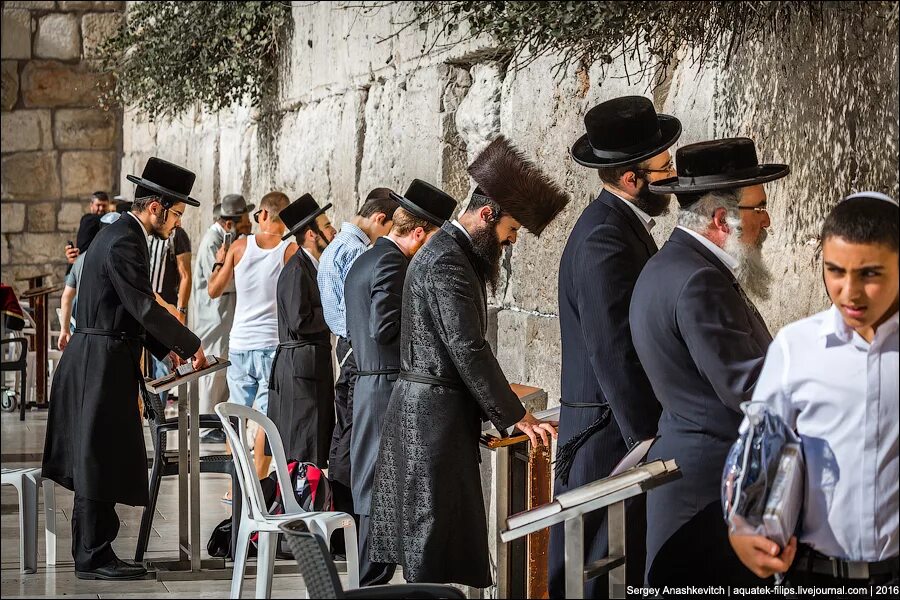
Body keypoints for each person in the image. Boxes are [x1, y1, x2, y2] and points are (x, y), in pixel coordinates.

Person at [369, 136, 567, 587]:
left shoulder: (454, 255)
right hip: (430, 423)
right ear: (487, 214)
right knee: (431, 540)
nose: (511, 241)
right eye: (511, 230)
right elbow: (468, 346)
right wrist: (516, 416)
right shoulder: (447, 262)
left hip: (435, 415)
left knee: (438, 540)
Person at [630, 137, 789, 586]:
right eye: (758, 209)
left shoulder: (670, 265)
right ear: (722, 219)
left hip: (690, 482)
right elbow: (747, 388)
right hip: (708, 494)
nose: (768, 221)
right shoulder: (700, 280)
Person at [42, 157, 207, 581]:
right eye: (175, 216)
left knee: (100, 454)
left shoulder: (118, 234)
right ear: (156, 207)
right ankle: (93, 556)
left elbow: (127, 309)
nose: (175, 226)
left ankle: (96, 550)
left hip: (103, 356)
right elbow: (143, 305)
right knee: (96, 456)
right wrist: (188, 345)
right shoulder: (124, 241)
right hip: (99, 362)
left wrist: (163, 349)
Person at [729, 192, 899, 587]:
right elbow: (758, 450)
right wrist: (742, 529)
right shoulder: (795, 347)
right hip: (812, 576)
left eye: (870, 274)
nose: (849, 292)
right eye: (835, 270)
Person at [551, 95, 680, 597]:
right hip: (607, 440)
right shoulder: (605, 238)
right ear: (632, 179)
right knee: (596, 575)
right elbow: (615, 354)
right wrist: (648, 444)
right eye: (663, 167)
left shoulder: (616, 226)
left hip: (609, 433)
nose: (671, 176)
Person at [345, 180, 456, 586]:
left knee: (376, 490)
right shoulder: (392, 262)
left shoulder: (368, 257)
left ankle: (368, 583)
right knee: (382, 494)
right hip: (386, 388)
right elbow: (385, 326)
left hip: (370, 386)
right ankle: (369, 587)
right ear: (420, 233)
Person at [317, 188, 399, 515]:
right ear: (379, 218)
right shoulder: (355, 251)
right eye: (389, 229)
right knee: (354, 429)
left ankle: (342, 509)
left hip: (348, 344)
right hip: (357, 347)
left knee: (348, 428)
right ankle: (347, 510)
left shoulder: (340, 247)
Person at [208, 191, 295, 483]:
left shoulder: (239, 246)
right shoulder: (289, 250)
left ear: (264, 214)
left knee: (237, 414)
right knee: (264, 418)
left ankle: (235, 484)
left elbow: (213, 290)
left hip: (241, 343)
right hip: (272, 342)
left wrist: (220, 261)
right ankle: (257, 482)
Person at [265, 194, 337, 467]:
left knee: (313, 444)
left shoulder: (312, 267)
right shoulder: (297, 270)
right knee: (301, 445)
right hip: (299, 372)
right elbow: (300, 321)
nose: (333, 231)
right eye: (327, 226)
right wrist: (335, 310)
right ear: (311, 234)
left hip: (309, 367)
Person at [192, 193, 254, 444]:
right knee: (212, 372)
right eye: (245, 225)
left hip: (224, 317)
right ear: (230, 223)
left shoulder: (226, 240)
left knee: (221, 371)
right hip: (213, 318)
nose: (248, 230)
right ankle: (207, 426)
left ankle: (217, 422)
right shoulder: (212, 241)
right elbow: (218, 282)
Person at [65, 191, 111, 271]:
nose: (101, 209)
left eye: (104, 205)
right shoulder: (88, 220)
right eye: (98, 205)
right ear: (91, 206)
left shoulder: (108, 223)